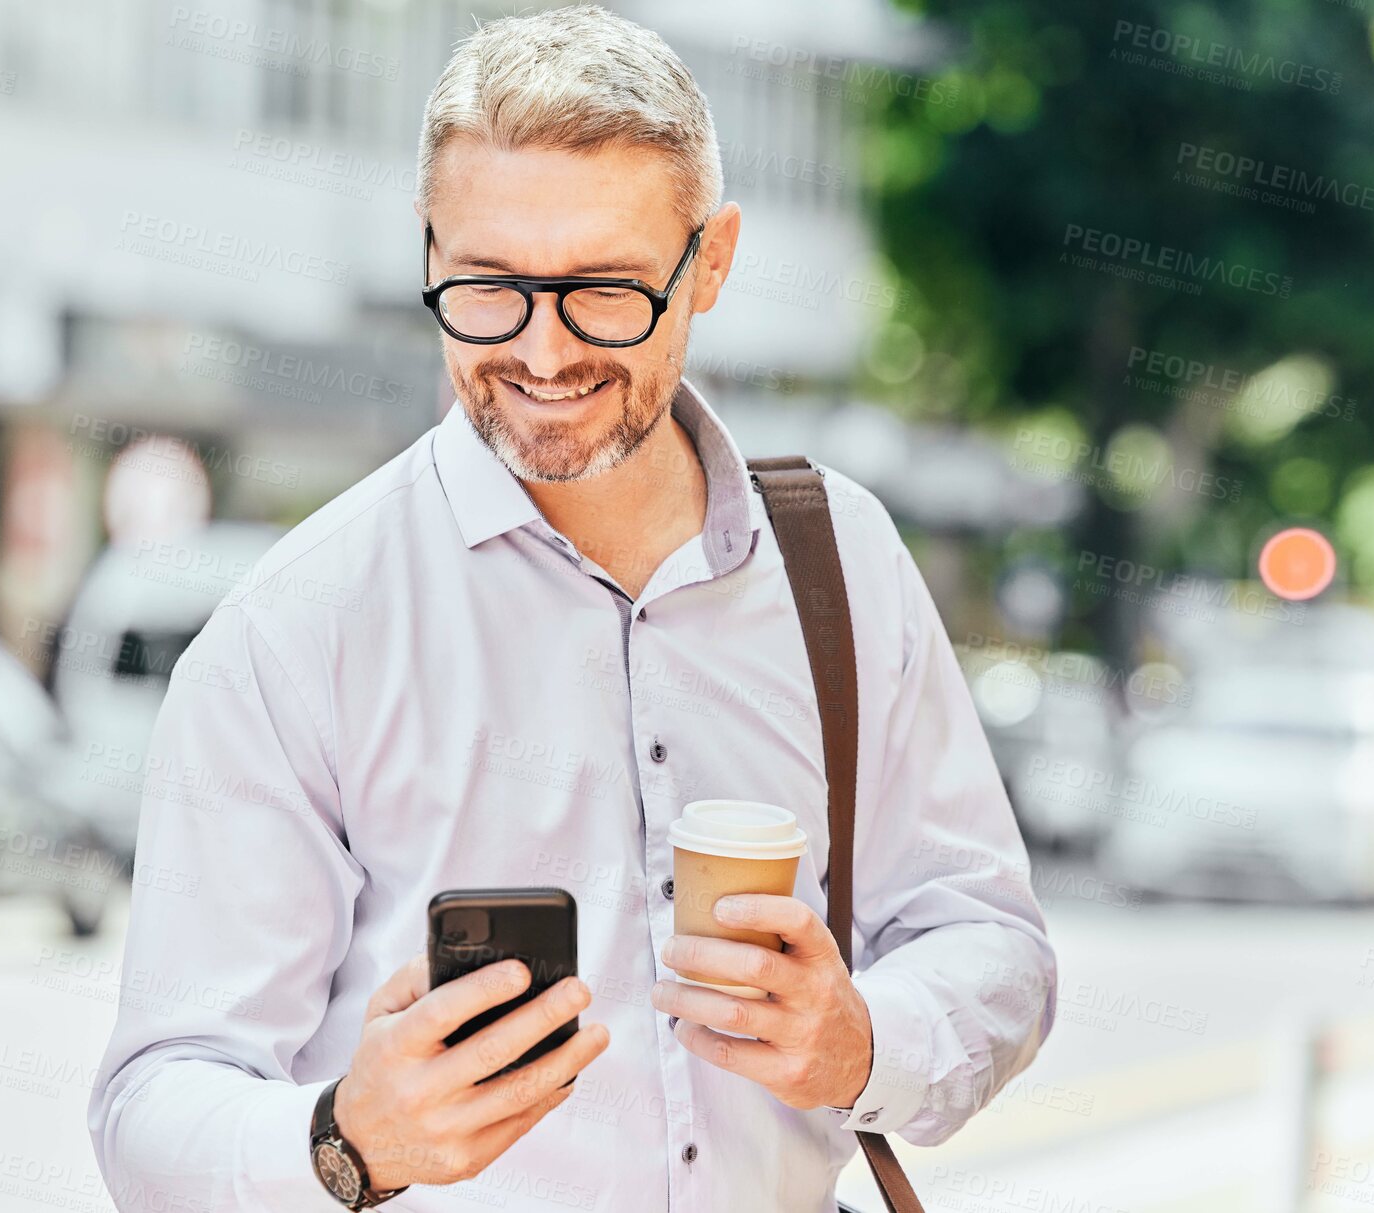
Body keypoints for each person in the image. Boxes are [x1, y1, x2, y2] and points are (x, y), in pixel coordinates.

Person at [88, 7, 1057, 1210]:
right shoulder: (298, 627)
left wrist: (869, 1040)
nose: (543, 354)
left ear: (709, 260)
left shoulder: (838, 560)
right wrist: (348, 1138)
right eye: (489, 287)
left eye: (604, 290)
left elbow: (991, 941)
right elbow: (154, 1104)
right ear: (429, 252)